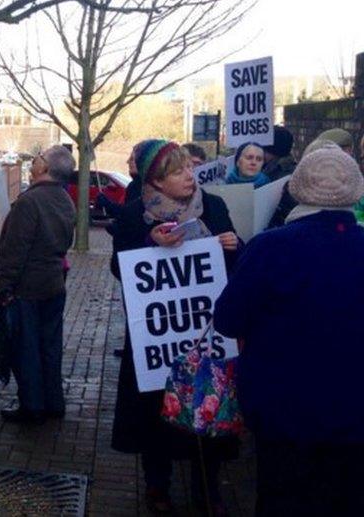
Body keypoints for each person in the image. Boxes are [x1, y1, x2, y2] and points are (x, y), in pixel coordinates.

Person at [214, 147, 364, 515]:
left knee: (283, 501)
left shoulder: (270, 248)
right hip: (355, 414)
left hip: (282, 413)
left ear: (296, 189)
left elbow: (228, 319)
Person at [110, 140, 241, 515]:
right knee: (156, 413)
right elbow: (120, 269)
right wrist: (148, 243)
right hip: (158, 339)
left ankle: (208, 488)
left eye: (189, 168)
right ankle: (157, 486)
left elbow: (234, 264)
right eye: (178, 171)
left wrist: (235, 243)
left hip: (204, 335)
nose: (189, 176)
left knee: (207, 407)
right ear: (157, 180)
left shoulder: (212, 206)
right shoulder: (136, 215)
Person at [0, 145, 76, 424]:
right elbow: (67, 242)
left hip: (27, 288)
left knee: (26, 347)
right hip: (54, 283)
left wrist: (4, 286)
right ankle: (53, 401)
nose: (33, 163)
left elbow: (14, 251)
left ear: (46, 168)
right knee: (50, 345)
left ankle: (31, 406)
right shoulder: (65, 199)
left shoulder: (29, 202)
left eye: (38, 159)